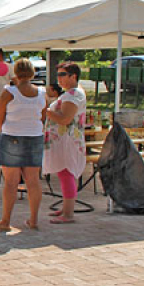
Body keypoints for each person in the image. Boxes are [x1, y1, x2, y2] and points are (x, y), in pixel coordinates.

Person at [0, 59, 46, 231]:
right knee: (33, 181)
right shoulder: (41, 93)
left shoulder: (9, 92)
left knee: (10, 182)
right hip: (34, 136)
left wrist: (2, 129)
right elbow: (43, 116)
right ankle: (34, 219)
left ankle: (6, 221)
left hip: (12, 135)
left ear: (15, 73)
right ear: (32, 73)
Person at [43, 62, 86, 224]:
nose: (59, 79)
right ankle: (67, 207)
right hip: (66, 140)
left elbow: (65, 119)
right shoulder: (72, 93)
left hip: (67, 141)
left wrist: (45, 111)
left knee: (66, 173)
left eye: (62, 75)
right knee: (64, 174)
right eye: (58, 75)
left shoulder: (73, 95)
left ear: (73, 76)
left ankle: (68, 214)